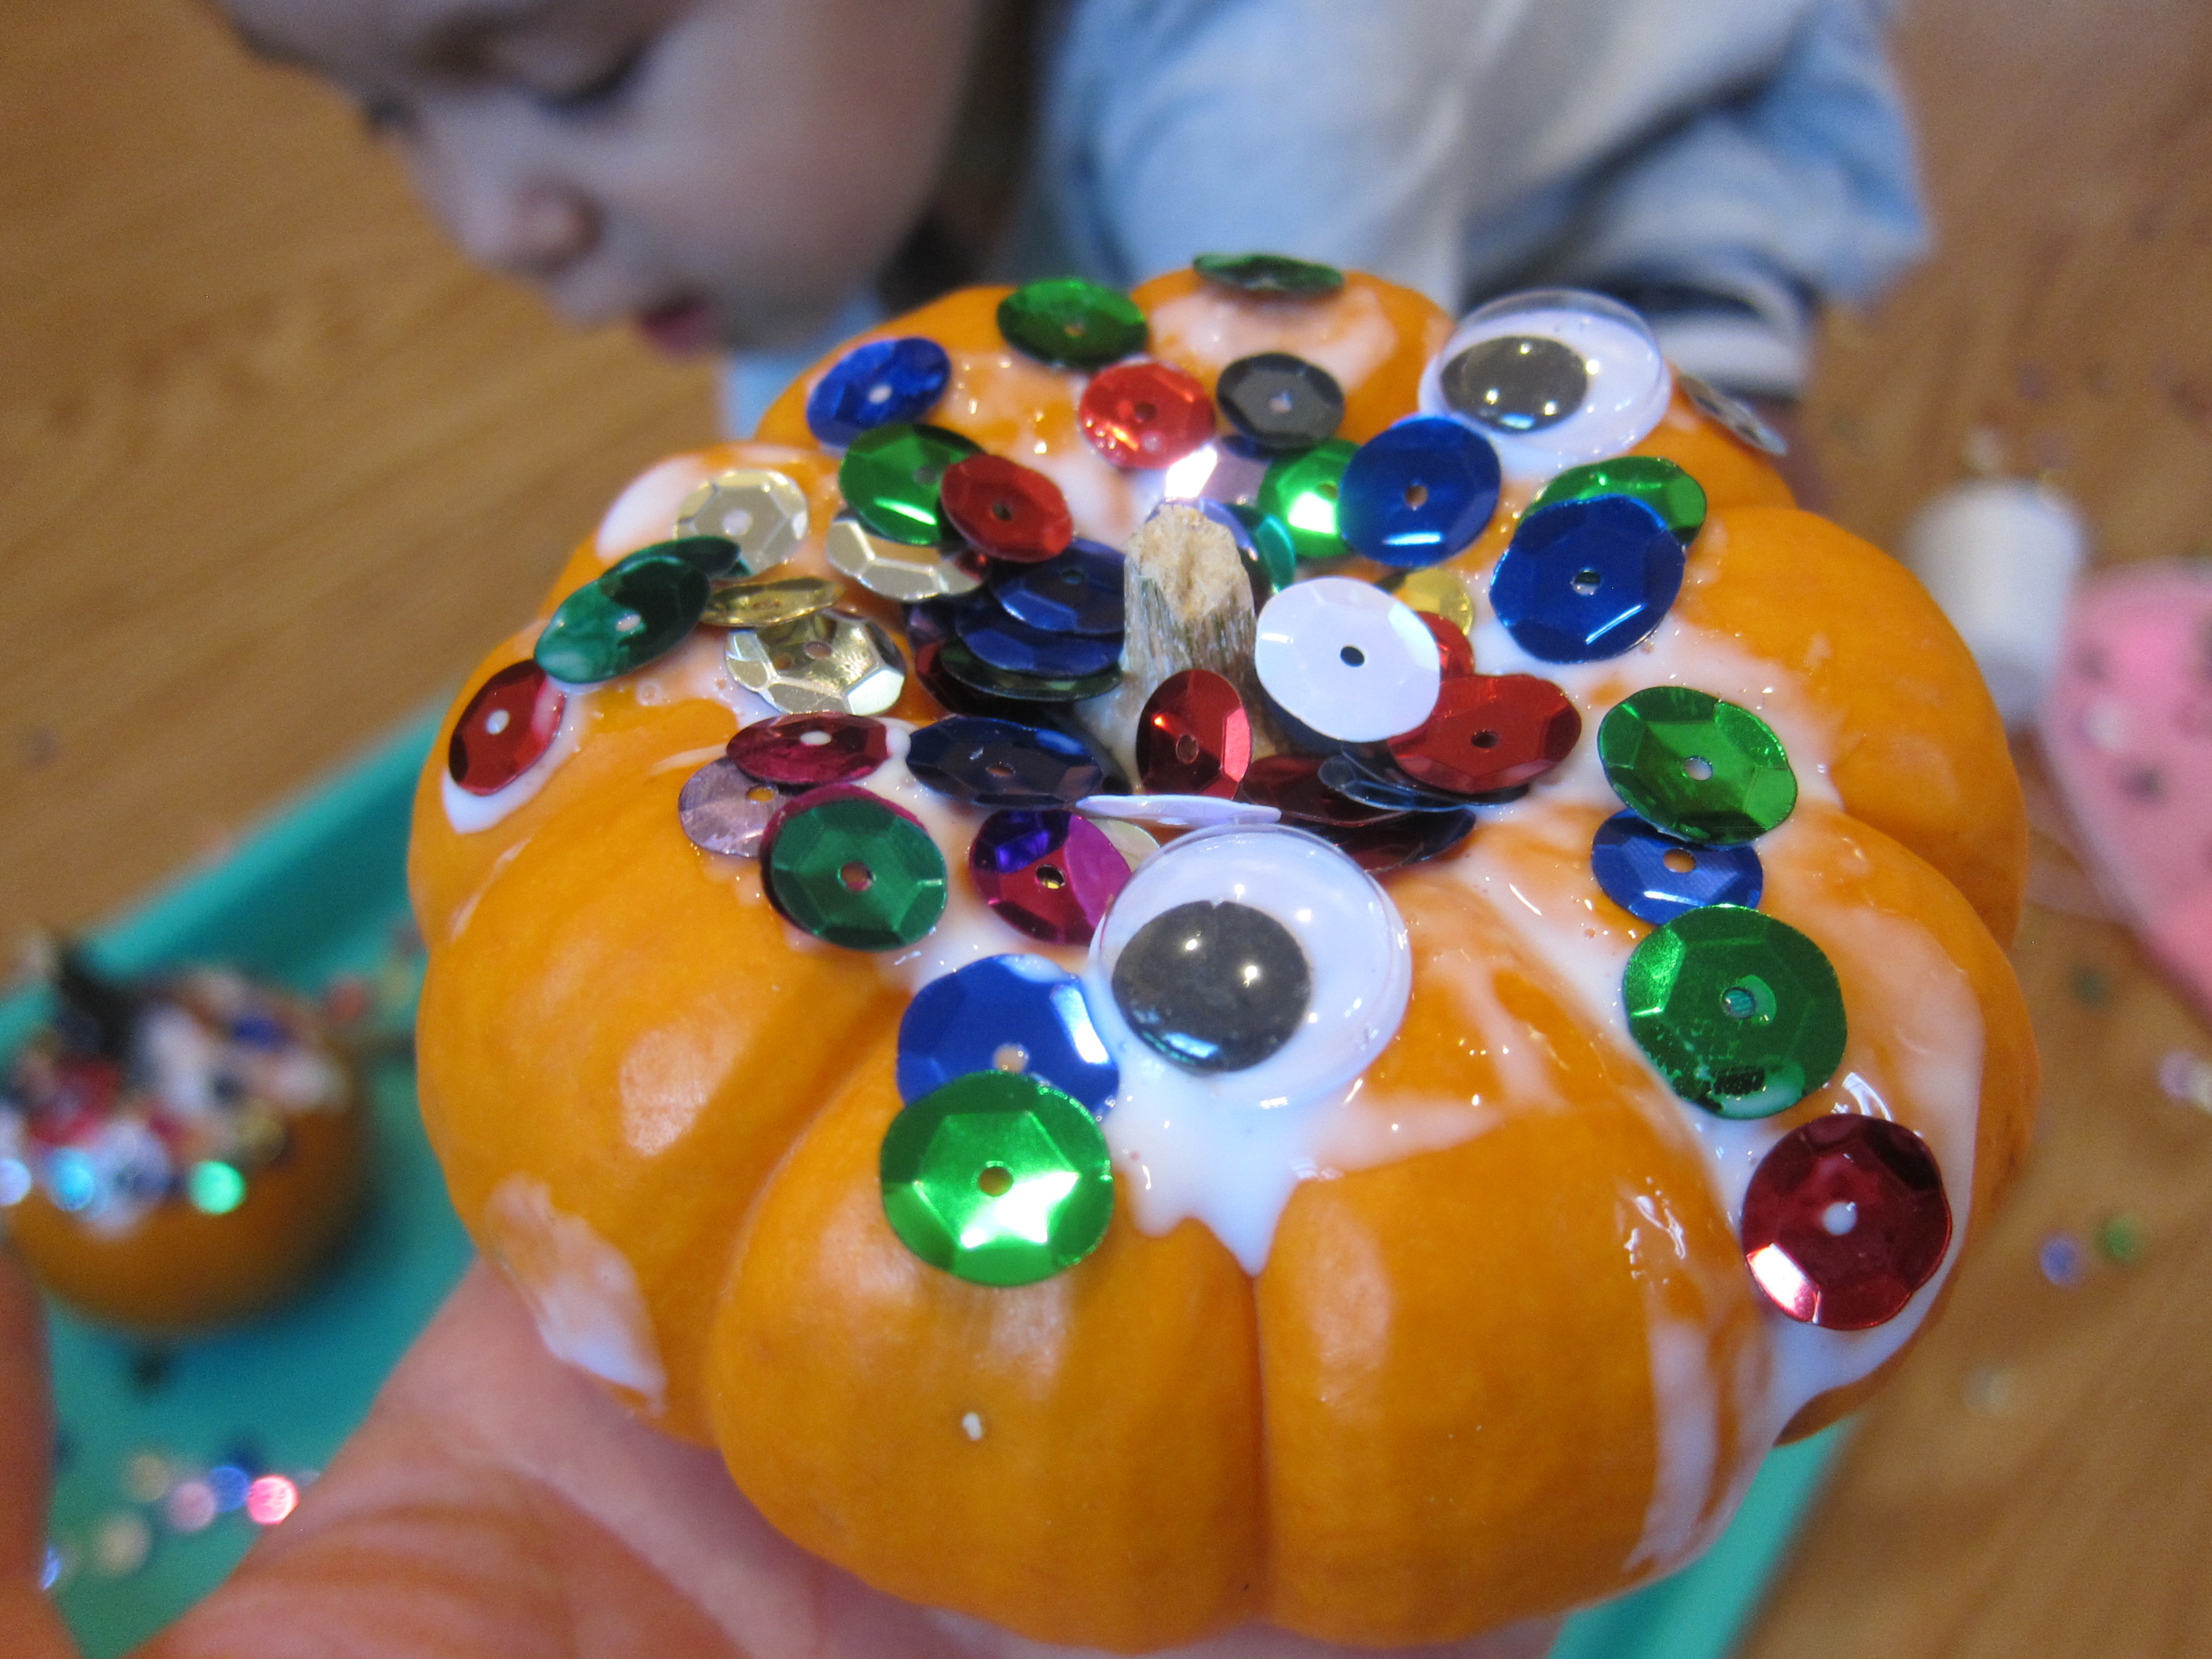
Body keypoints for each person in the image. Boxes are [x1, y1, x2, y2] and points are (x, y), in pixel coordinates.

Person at [220, 0, 1925, 438]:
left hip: (1622, 166)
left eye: (579, 74)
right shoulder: (845, 138)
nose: (488, 224)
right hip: (1218, 217)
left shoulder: (1275, 74)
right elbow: (823, 456)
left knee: (1660, 524)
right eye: (386, 113)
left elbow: (1307, 512)